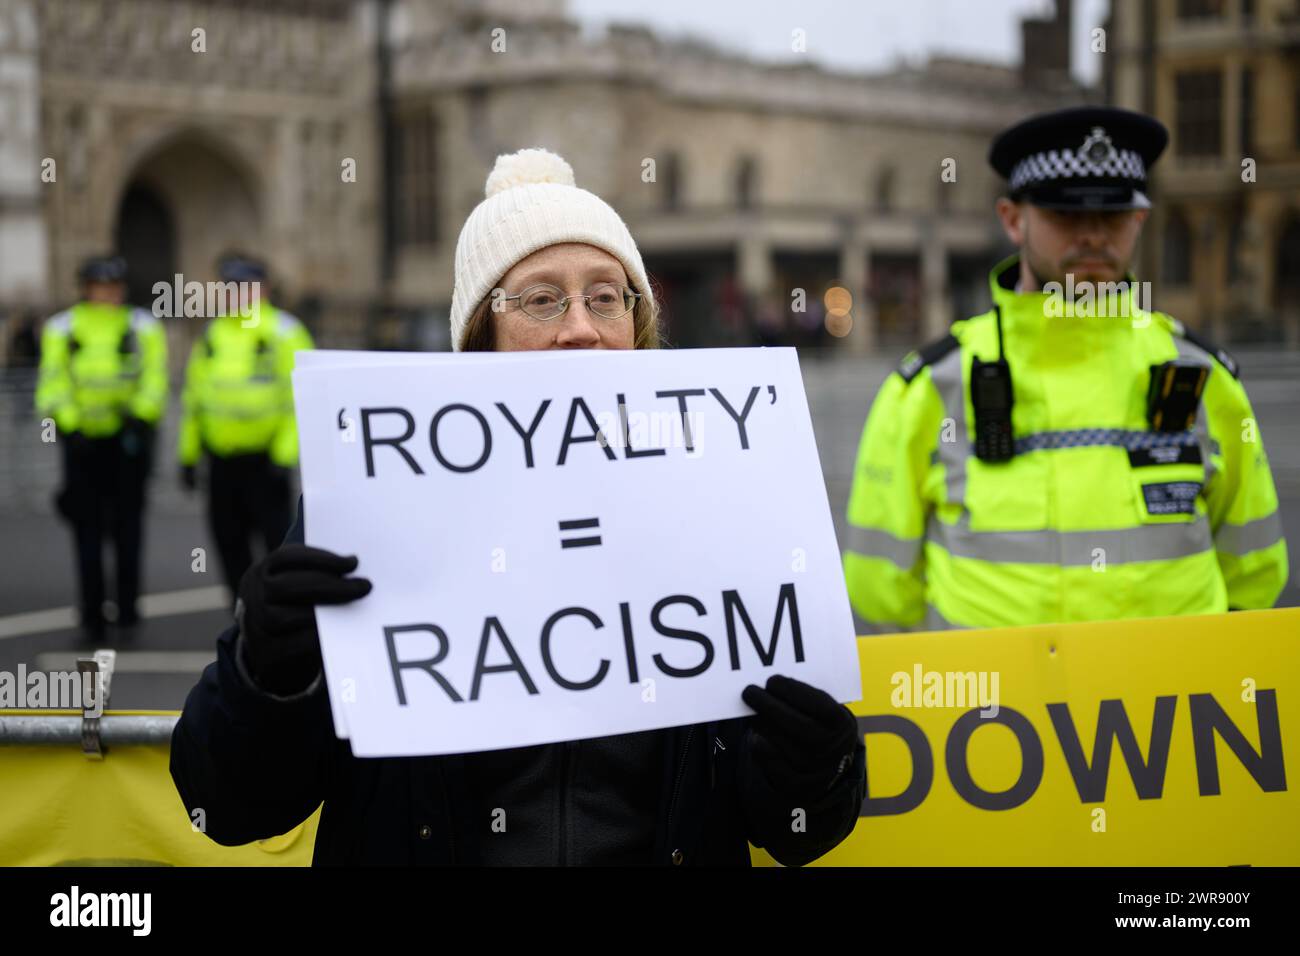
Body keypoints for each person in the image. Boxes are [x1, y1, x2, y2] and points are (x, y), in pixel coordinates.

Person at [171, 148, 866, 866]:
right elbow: (224, 807)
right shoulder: (367, 514)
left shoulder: (728, 512)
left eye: (606, 297)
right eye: (541, 299)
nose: (581, 328)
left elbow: (799, 831)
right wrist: (267, 679)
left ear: (637, 327)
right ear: (481, 338)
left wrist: (813, 766)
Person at [843, 106, 1288, 632]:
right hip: (997, 712)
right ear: (1013, 219)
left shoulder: (1203, 377)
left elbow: (1255, 575)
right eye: (1067, 214)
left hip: (1166, 711)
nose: (1094, 235)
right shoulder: (926, 390)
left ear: (1139, 219)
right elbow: (879, 590)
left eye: (1114, 216)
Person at [34, 254, 168, 638]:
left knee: (128, 528)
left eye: (114, 287)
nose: (108, 293)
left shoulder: (142, 325)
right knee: (87, 530)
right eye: (101, 286)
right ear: (87, 288)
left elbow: (155, 376)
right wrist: (71, 427)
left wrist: (140, 416)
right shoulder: (62, 327)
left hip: (127, 442)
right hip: (82, 445)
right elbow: (53, 382)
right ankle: (92, 613)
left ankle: (127, 609)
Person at [176, 253, 314, 598]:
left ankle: (281, 620)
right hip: (222, 464)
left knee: (277, 550)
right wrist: (189, 454)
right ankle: (241, 626)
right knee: (229, 547)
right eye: (231, 287)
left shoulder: (285, 332)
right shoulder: (213, 333)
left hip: (266, 464)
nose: (236, 294)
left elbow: (301, 398)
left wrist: (284, 455)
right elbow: (196, 398)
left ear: (263, 289)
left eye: (244, 287)